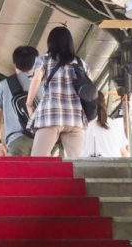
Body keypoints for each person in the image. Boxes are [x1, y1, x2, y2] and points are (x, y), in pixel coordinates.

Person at [26, 26, 89, 158]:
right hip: (75, 118)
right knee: (77, 163)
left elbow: (36, 79)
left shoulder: (44, 60)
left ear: (51, 42)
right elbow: (89, 89)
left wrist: (29, 103)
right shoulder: (81, 63)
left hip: (51, 115)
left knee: (38, 158)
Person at [0, 45, 39, 157]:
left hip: (16, 140)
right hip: (41, 139)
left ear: (15, 64)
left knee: (16, 174)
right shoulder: (41, 83)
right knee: (44, 173)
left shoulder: (4, 85)